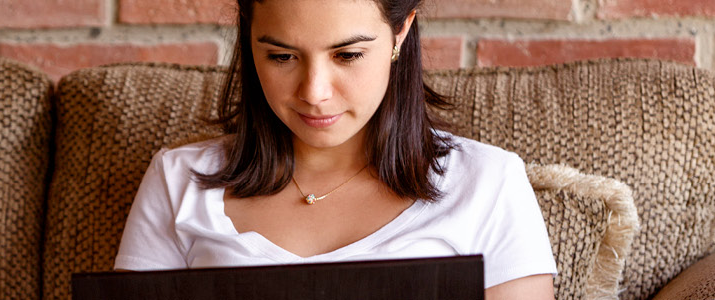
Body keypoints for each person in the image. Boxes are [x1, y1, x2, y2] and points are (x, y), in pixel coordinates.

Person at [112, 0, 557, 298]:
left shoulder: (490, 183)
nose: (314, 92)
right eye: (282, 57)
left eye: (347, 55)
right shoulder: (177, 180)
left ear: (401, 32)